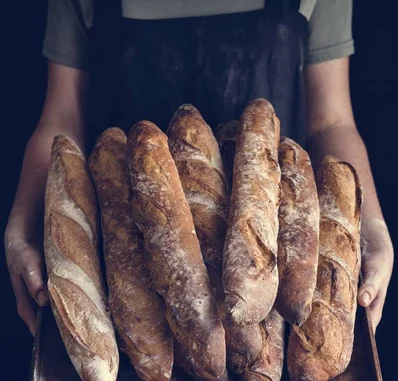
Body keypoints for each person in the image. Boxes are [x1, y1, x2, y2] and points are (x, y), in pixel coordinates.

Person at [5, 0, 393, 337]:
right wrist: (22, 225)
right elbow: (61, 119)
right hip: (126, 265)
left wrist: (372, 225)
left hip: (274, 282)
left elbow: (331, 124)